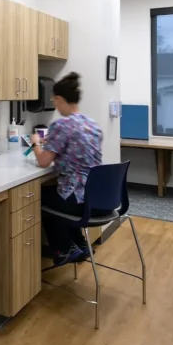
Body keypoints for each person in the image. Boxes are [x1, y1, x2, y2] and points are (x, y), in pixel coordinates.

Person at [30, 72, 110, 266]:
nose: (54, 105)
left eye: (54, 100)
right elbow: (78, 151)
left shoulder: (61, 125)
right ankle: (80, 244)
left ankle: (64, 248)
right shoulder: (93, 125)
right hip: (100, 198)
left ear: (58, 99)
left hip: (78, 199)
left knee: (38, 197)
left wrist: (35, 144)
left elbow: (43, 161)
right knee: (60, 197)